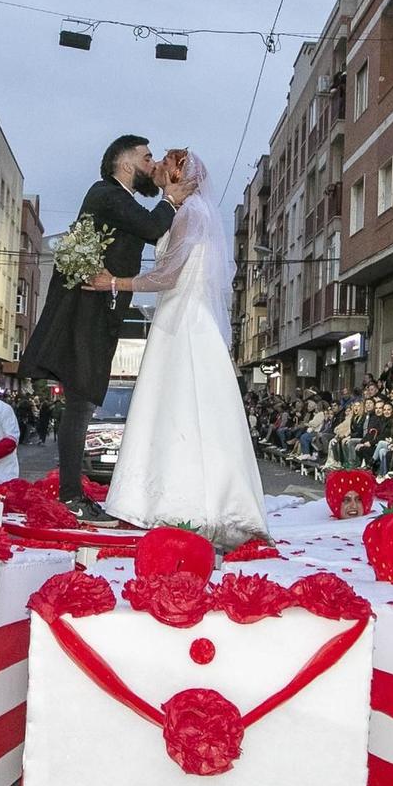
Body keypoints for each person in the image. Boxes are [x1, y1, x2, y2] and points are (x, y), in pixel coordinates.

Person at [90, 150, 265, 546]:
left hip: (183, 319)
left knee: (177, 407)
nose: (156, 167)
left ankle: (181, 504)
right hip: (184, 317)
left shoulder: (189, 214)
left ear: (178, 171)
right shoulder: (194, 213)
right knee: (182, 410)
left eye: (163, 160)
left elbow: (167, 275)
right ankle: (192, 500)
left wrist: (114, 283)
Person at [23, 135, 186, 526]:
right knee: (80, 402)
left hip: (98, 314)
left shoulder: (118, 201)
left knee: (83, 400)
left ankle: (72, 493)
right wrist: (170, 198)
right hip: (82, 314)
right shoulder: (106, 194)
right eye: (147, 157)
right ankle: (71, 496)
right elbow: (150, 227)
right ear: (126, 162)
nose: (152, 164)